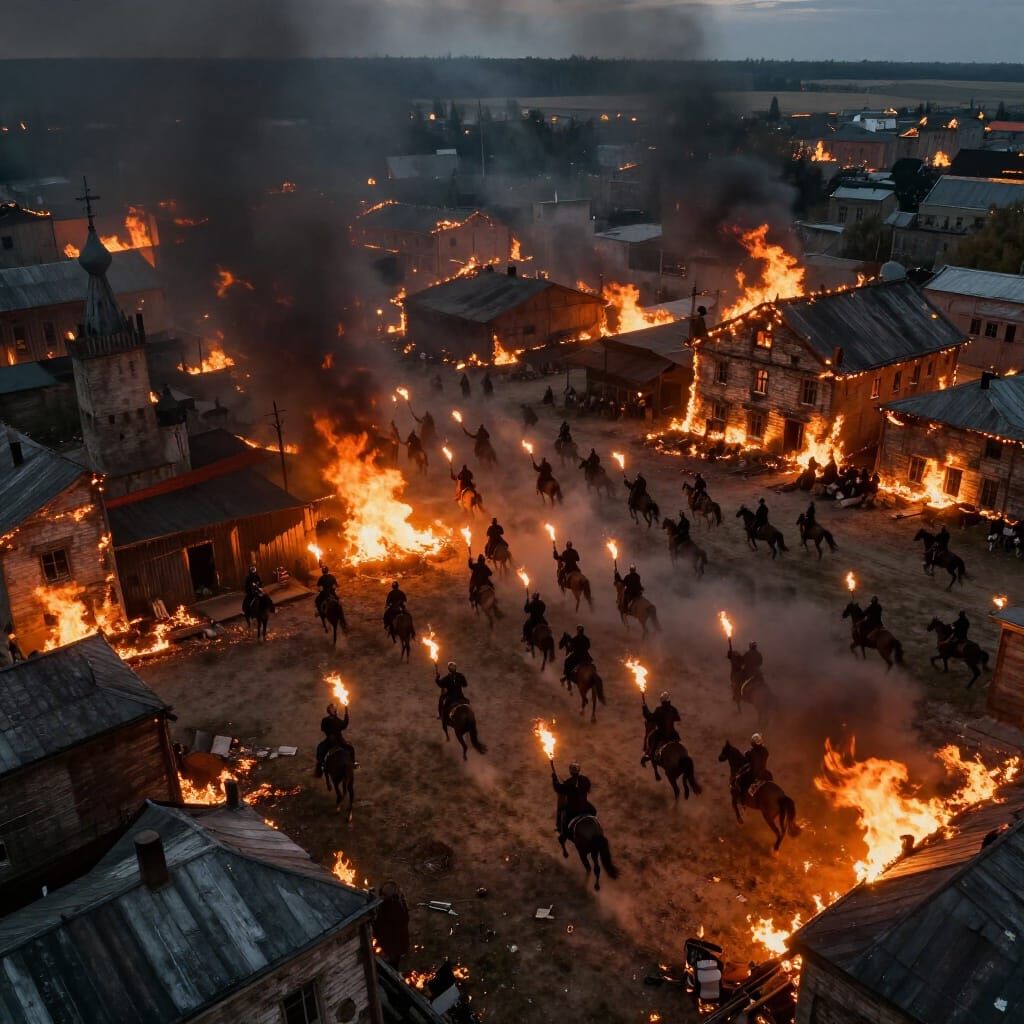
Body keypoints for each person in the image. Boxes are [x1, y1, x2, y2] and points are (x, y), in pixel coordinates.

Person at [552, 761, 596, 839]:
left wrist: (554, 779)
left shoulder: (568, 782)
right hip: (585, 806)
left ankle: (562, 832)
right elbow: (588, 788)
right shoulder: (585, 779)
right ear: (579, 770)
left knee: (562, 813)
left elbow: (559, 789)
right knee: (594, 811)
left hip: (573, 808)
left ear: (570, 771)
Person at [641, 691, 681, 766]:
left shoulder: (659, 710)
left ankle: (649, 755)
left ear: (661, 701)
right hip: (673, 734)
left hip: (661, 734)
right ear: (669, 700)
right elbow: (678, 718)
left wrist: (644, 708)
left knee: (651, 738)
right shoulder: (673, 709)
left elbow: (650, 718)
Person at [315, 702, 352, 777]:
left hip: (338, 739)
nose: (335, 709)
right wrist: (330, 734)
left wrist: (346, 712)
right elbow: (324, 729)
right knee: (320, 749)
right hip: (331, 739)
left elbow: (344, 724)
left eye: (335, 708)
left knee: (351, 748)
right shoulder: (325, 720)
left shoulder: (336, 719)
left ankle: (353, 763)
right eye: (333, 708)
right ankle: (320, 765)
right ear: (329, 710)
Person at [736, 733, 771, 797]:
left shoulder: (751, 752)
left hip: (754, 774)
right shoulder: (765, 750)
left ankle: (742, 800)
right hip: (763, 772)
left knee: (742, 781)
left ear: (752, 743)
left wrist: (746, 754)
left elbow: (744, 760)